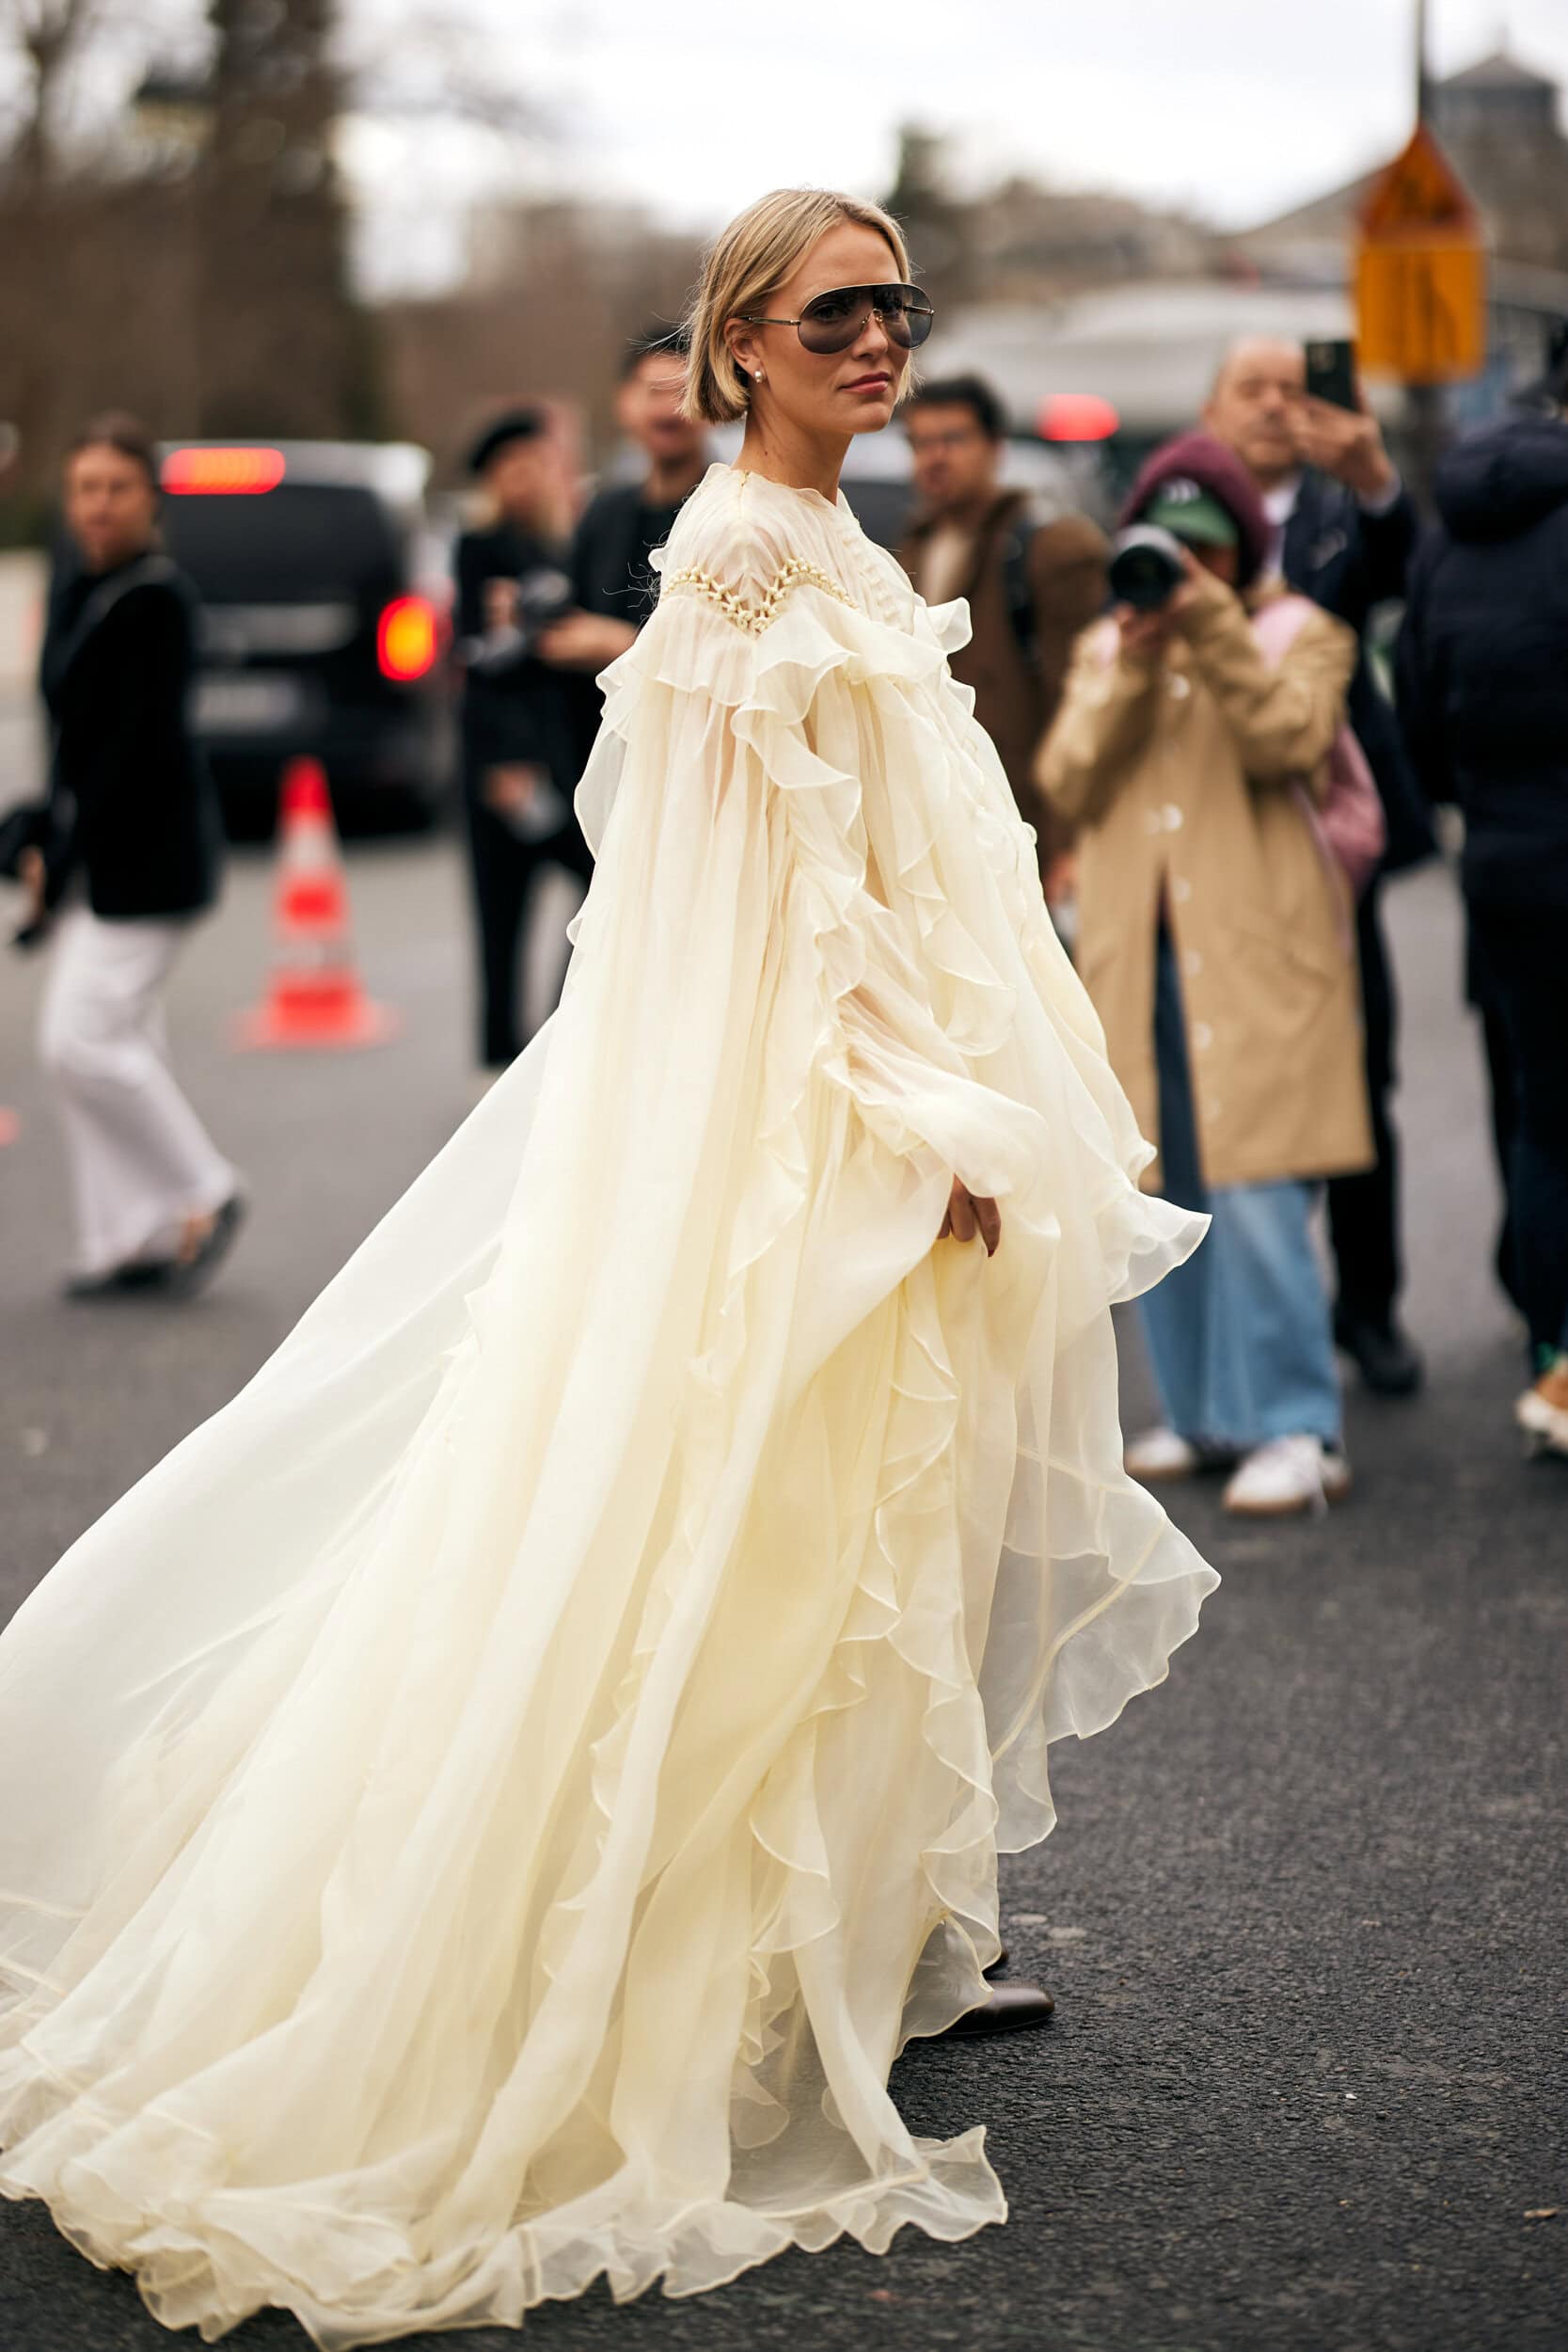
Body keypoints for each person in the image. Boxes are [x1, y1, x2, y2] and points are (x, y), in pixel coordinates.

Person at [0, 191, 1216, 2344]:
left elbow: (911, 854)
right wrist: (915, 1114)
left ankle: (880, 1929)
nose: (880, 340)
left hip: (898, 1092)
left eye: (899, 310)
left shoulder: (838, 543)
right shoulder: (741, 563)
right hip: (808, 1127)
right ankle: (721, 1940)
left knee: (877, 1503)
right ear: (737, 339)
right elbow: (771, 900)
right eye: (839, 311)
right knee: (753, 1511)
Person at [1038, 431, 1370, 1518]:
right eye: (1164, 552)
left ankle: (1295, 1424)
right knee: (1160, 1187)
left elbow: (1288, 741)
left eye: (1206, 553)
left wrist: (1215, 632)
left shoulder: (1297, 634)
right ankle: (1199, 1411)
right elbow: (1067, 777)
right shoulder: (1108, 649)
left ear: (1240, 552)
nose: (1182, 576)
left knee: (1260, 1187)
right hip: (1139, 966)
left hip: (1257, 965)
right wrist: (1134, 662)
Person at [1203, 337, 1433, 1399]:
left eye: (1291, 390)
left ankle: (1367, 1306)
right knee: (1239, 1076)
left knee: (1357, 1064)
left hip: (1333, 827)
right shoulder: (1178, 515)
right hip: (1220, 825)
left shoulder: (1345, 509)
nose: (1272, 409)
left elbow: (1409, 581)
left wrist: (1375, 476)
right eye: (1249, 389)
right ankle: (1268, 1305)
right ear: (1212, 406)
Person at [9, 414, 243, 1297]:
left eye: (115, 488)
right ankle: (128, 1235)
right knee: (109, 1038)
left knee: (79, 1040)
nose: (97, 506)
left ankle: (204, 1188)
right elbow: (70, 741)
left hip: (148, 863)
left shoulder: (157, 599)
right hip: (102, 859)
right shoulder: (82, 587)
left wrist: (56, 847)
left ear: (151, 498)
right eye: (82, 489)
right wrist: (46, 836)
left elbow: (129, 753)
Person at [1396, 356, 1568, 1456]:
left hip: (1505, 858)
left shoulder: (1448, 532)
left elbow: (1413, 709)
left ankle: (1551, 1356)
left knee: (1543, 1109)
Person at [897, 374, 1107, 903]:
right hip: (940, 823)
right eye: (921, 443)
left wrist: (1070, 845)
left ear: (995, 448)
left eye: (953, 439)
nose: (935, 457)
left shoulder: (1050, 547)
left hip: (1025, 823)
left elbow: (1082, 709)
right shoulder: (907, 555)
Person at [453, 408, 595, 1070]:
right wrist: (502, 761)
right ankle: (500, 1061)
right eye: (509, 470)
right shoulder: (481, 547)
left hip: (557, 760)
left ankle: (554, 1042)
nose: (523, 481)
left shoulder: (557, 546)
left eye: (533, 465)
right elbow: (481, 664)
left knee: (599, 890)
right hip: (506, 767)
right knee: (501, 920)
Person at [536, 326, 712, 685]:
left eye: (682, 392)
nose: (668, 410)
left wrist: (622, 646)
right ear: (624, 404)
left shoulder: (730, 514)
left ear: (712, 402)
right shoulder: (604, 515)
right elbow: (569, 619)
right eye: (654, 392)